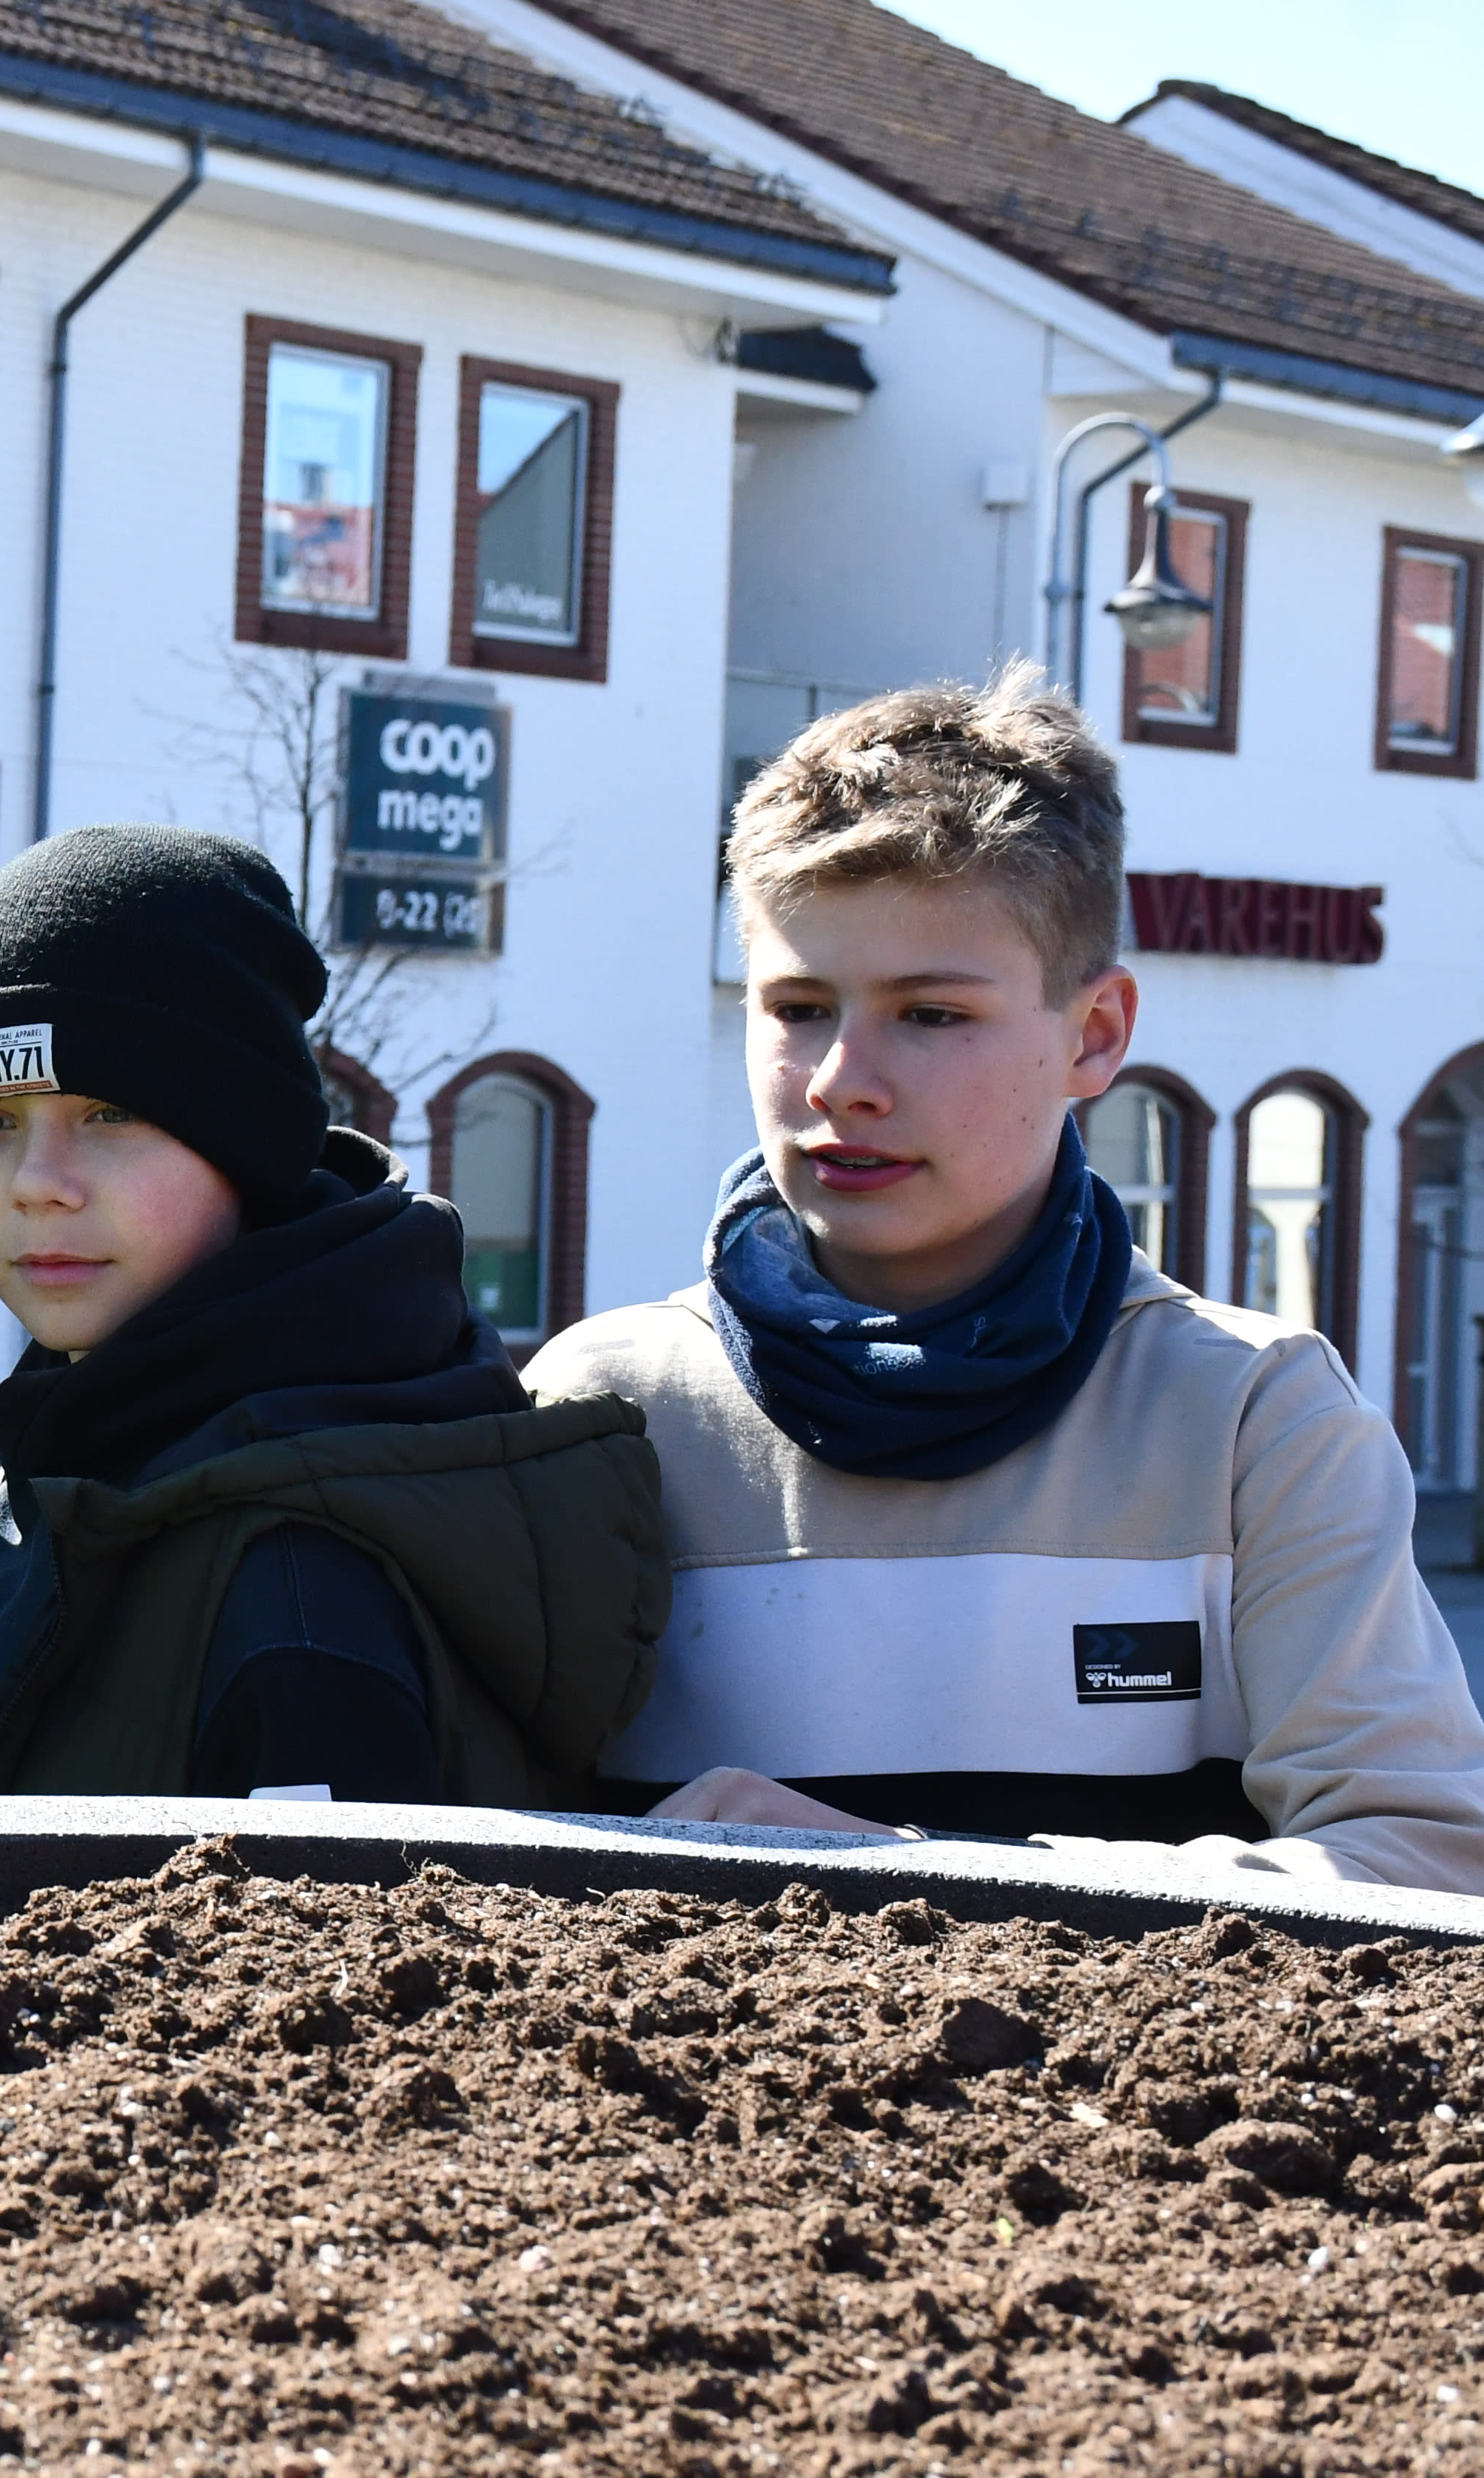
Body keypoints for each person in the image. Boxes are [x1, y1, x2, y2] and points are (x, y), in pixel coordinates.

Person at [529, 674, 1484, 1887]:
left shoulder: (1256, 1420)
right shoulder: (595, 1408)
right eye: (797, 1006)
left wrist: (910, 1880)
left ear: (1096, 1034)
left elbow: (1422, 1862)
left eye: (929, 1014)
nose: (839, 1080)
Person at [0, 826, 666, 1802]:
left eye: (110, 1114)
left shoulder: (300, 1590)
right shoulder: (78, 1428)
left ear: (251, 1144)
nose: (38, 1183)